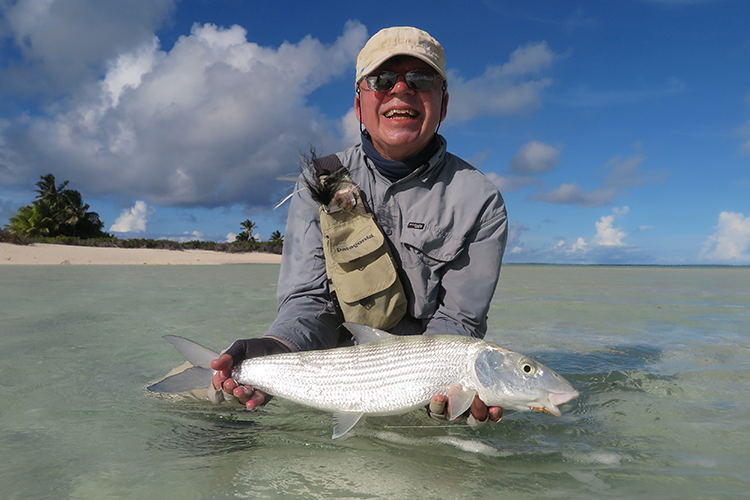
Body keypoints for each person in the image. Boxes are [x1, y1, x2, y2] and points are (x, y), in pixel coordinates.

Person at [210, 26, 508, 425]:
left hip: (419, 384)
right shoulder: (321, 181)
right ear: (358, 103)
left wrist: (429, 389)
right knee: (209, 402)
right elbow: (307, 300)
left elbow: (460, 324)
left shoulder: (480, 200)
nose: (401, 91)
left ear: (444, 102)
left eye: (420, 80)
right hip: (324, 372)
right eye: (382, 80)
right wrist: (275, 348)